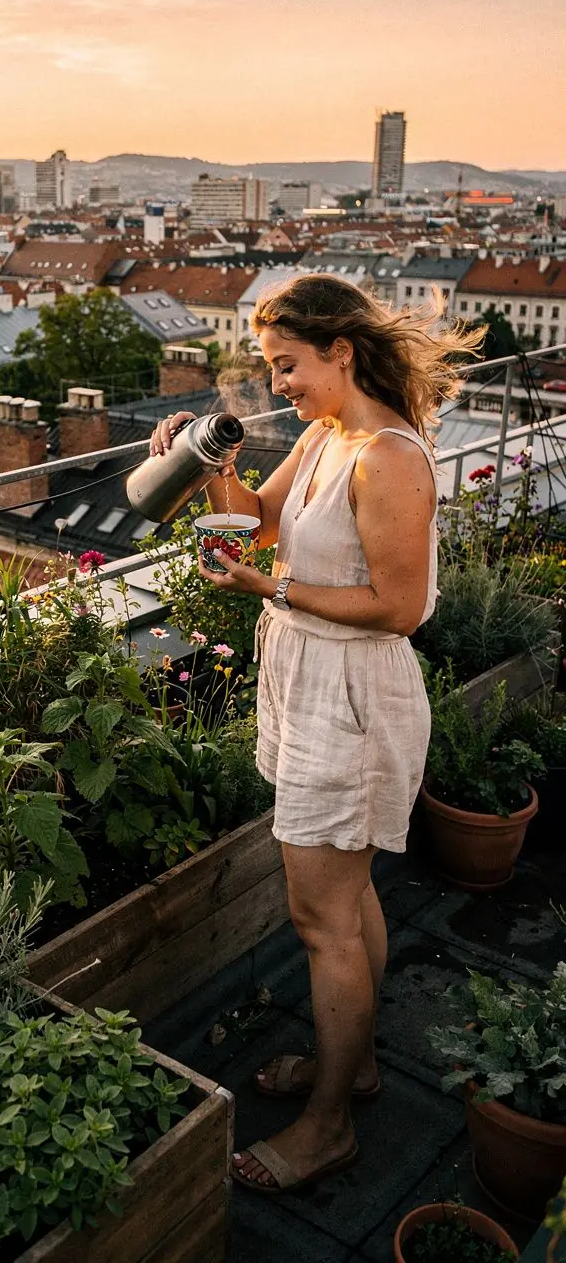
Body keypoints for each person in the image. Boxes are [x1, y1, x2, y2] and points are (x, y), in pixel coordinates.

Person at [150, 274, 482, 1196]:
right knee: (349, 895)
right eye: (270, 368)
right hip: (310, 680)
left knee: (320, 917)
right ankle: (360, 1068)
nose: (279, 383)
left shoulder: (388, 458)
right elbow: (254, 520)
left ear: (339, 351)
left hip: (353, 693)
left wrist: (271, 590)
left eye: (287, 365)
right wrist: (195, 463)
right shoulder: (325, 434)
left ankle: (330, 1123)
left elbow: (400, 609)